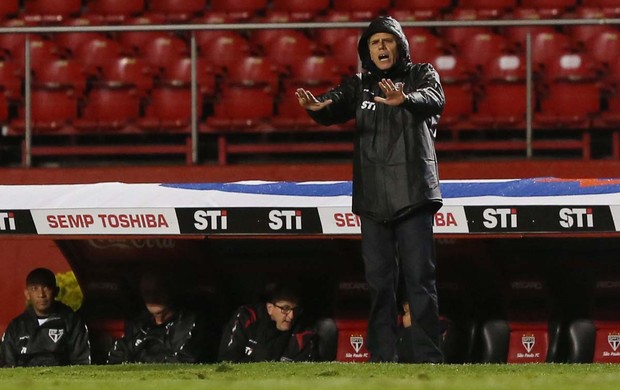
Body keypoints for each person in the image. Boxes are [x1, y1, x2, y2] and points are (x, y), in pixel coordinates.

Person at [296, 15, 445, 363]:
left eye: (387, 41)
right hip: (373, 199)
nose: (381, 47)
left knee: (420, 281)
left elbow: (434, 98)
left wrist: (404, 98)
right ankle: (382, 357)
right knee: (379, 285)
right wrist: (317, 108)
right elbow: (332, 102)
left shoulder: (421, 74)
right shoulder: (360, 85)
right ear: (367, 50)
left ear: (400, 45)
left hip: (413, 194)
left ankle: (428, 357)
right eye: (374, 42)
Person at [107, 271, 213, 364]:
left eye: (157, 291)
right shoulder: (137, 326)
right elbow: (116, 359)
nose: (152, 297)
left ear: (169, 291)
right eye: (147, 293)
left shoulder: (187, 323)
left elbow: (184, 360)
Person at [0, 267, 91, 367]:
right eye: (34, 289)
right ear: (27, 294)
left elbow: (82, 363)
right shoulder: (16, 326)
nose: (41, 294)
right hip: (25, 382)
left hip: (60, 381)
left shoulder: (71, 322)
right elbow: (7, 366)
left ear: (56, 291)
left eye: (46, 288)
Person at [218, 283, 319, 362]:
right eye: (285, 308)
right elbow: (227, 359)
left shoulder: (303, 331)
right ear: (270, 308)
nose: (292, 316)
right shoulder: (247, 317)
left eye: (296, 310)